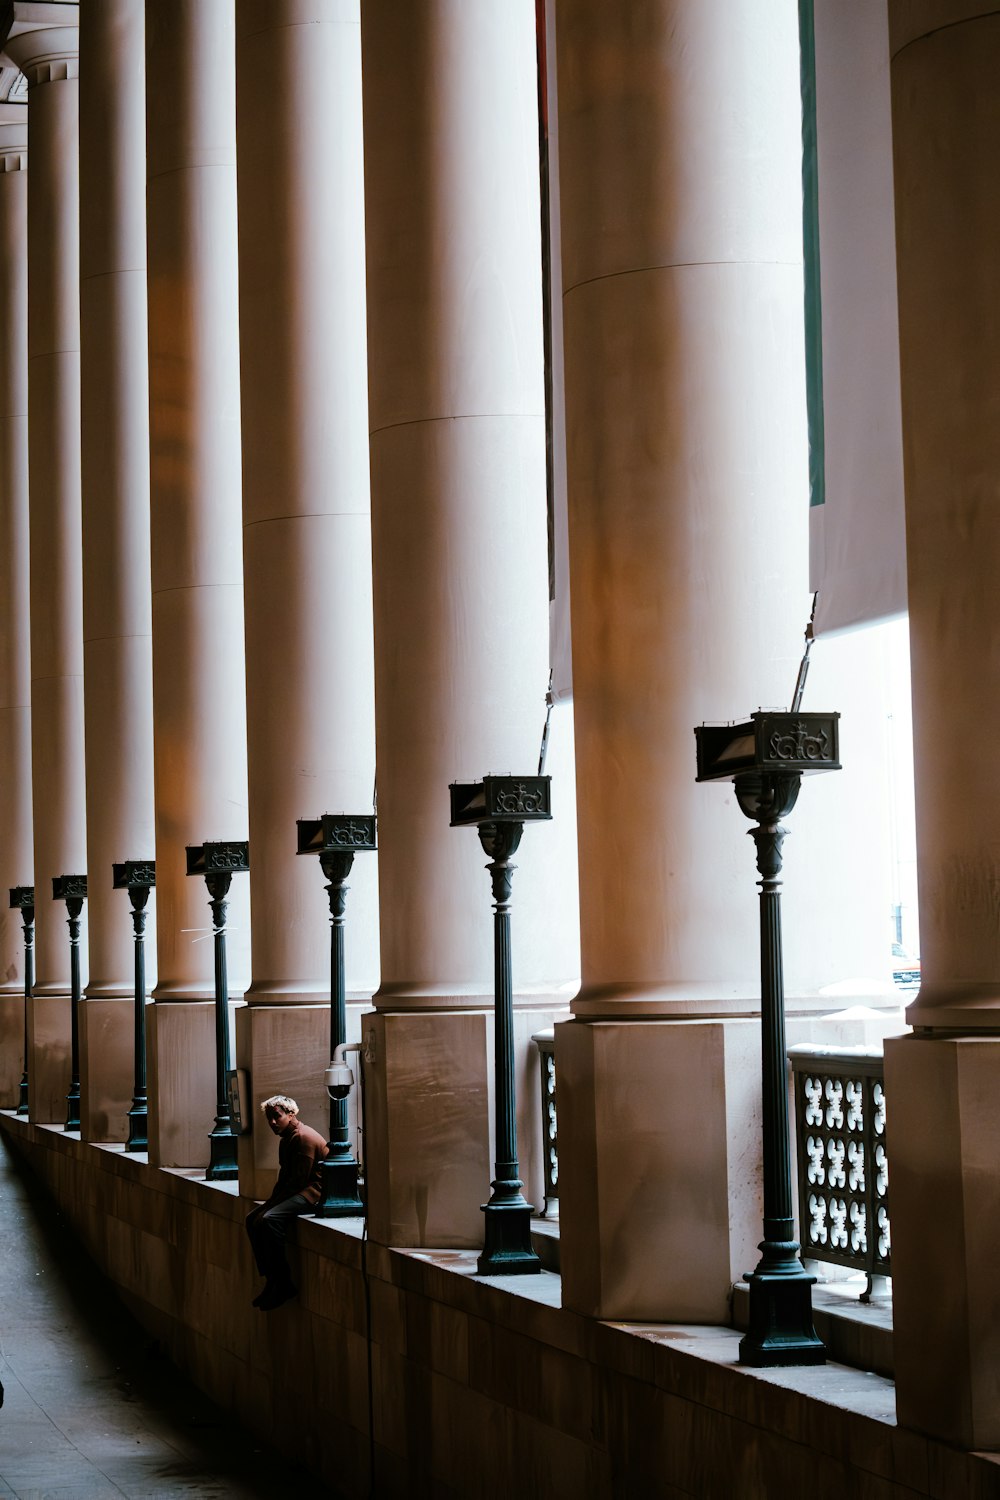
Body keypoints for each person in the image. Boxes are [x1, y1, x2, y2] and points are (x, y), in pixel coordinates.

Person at [245, 1094, 328, 1311]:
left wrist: (272, 1206)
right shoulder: (288, 1137)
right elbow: (285, 1179)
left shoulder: (302, 1138)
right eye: (270, 1118)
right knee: (252, 1218)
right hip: (300, 1190)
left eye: (277, 1116)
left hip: (313, 1193)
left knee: (269, 1219)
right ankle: (272, 1279)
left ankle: (283, 1283)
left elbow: (298, 1182)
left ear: (291, 1115)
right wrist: (270, 1201)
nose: (273, 1122)